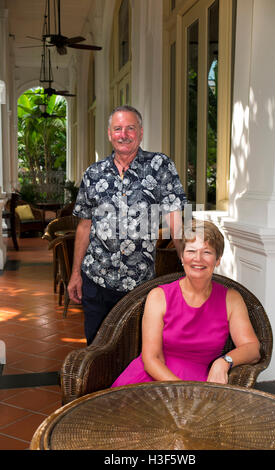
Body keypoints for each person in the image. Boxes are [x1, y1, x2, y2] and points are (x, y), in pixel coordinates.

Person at [68, 105, 187, 345]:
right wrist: (75, 274)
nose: (124, 134)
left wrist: (188, 262)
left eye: (130, 128)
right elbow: (84, 226)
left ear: (140, 133)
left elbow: (177, 219)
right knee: (96, 348)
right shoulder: (94, 173)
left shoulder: (160, 166)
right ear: (110, 134)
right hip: (97, 278)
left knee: (137, 349)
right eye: (118, 129)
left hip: (140, 282)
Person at [111, 220, 261, 387]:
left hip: (200, 383)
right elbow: (151, 359)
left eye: (207, 252)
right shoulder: (159, 296)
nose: (198, 259)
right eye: (191, 251)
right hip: (151, 379)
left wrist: (224, 362)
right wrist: (183, 389)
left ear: (218, 259)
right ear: (182, 257)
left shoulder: (231, 299)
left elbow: (252, 348)